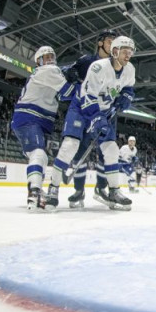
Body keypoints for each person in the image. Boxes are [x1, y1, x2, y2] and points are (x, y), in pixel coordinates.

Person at [46, 36, 136, 211]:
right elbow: (88, 96)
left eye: (130, 52)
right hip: (81, 108)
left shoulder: (130, 69)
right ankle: (53, 189)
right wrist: (96, 118)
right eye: (125, 51)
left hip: (104, 110)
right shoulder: (98, 67)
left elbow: (128, 87)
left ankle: (114, 191)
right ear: (115, 51)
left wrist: (127, 95)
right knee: (70, 146)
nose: (128, 56)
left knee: (111, 149)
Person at [10, 46, 77, 211]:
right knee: (38, 153)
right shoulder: (48, 71)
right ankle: (33, 192)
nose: (49, 60)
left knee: (41, 157)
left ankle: (35, 189)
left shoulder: (50, 73)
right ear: (38, 62)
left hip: (38, 120)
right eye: (45, 57)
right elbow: (69, 93)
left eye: (51, 57)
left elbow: (61, 95)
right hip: (30, 117)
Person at [59, 30, 117, 208]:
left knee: (105, 153)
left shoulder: (116, 65)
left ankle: (101, 189)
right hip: (86, 112)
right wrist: (70, 74)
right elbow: (66, 72)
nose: (113, 45)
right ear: (100, 43)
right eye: (109, 41)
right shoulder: (86, 61)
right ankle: (79, 191)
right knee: (79, 152)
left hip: (106, 113)